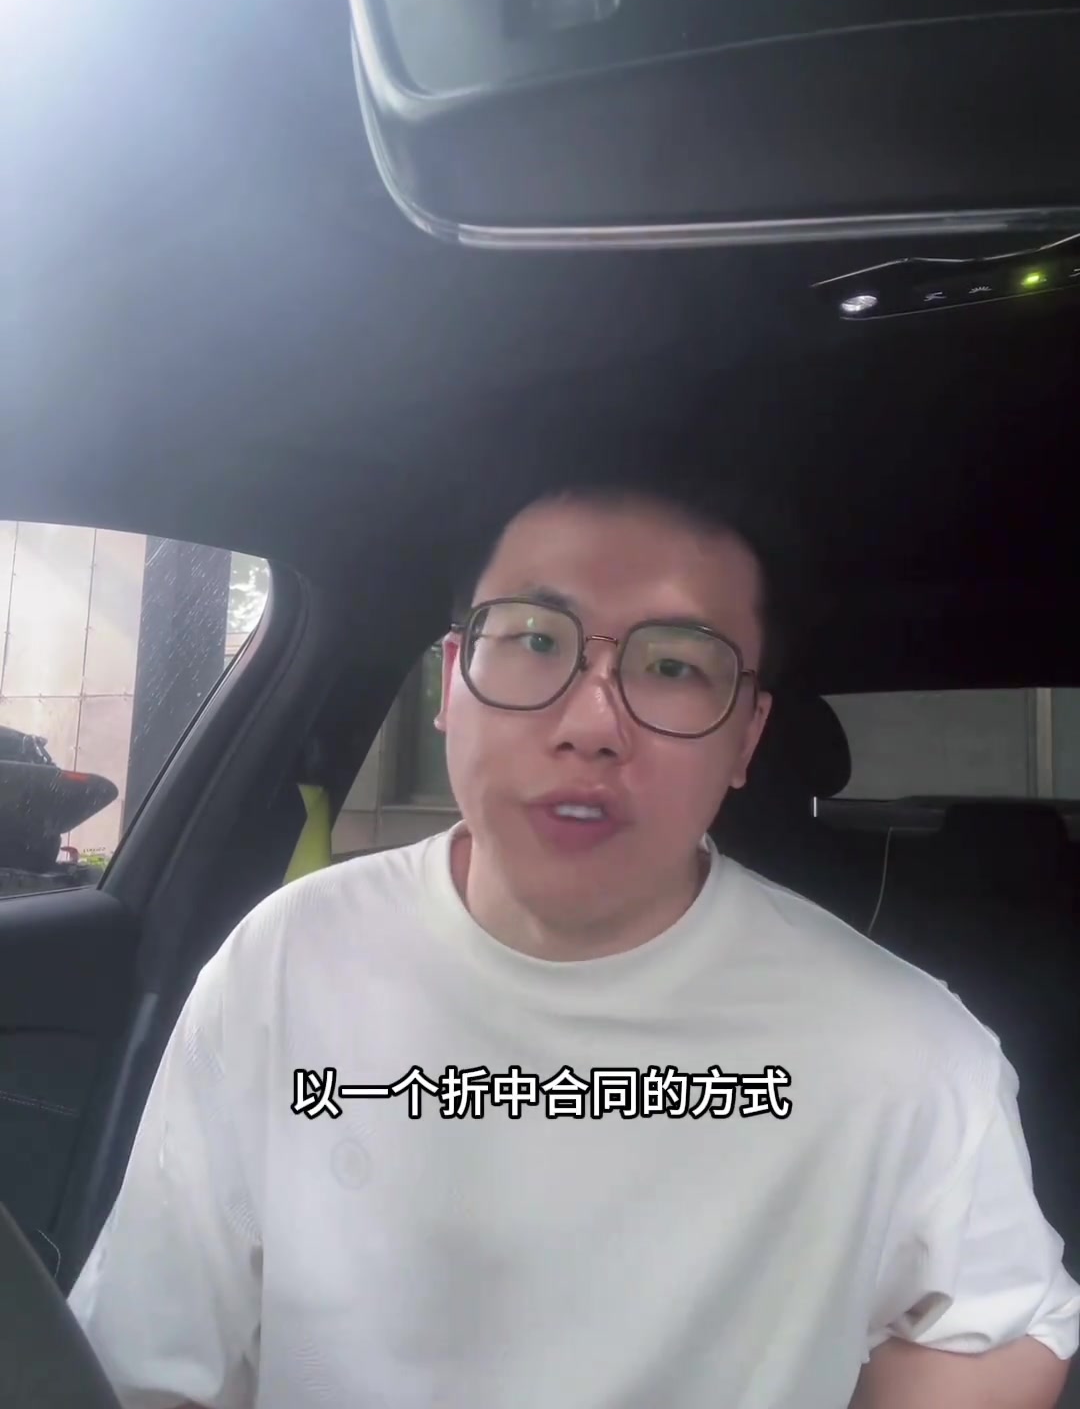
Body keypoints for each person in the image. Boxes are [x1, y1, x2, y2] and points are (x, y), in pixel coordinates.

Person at [69, 479, 1080, 1409]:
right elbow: (154, 1362)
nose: (592, 723)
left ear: (745, 738)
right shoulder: (289, 961)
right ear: (453, 682)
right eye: (534, 639)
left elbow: (1006, 1328)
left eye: (674, 666)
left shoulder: (902, 1047)